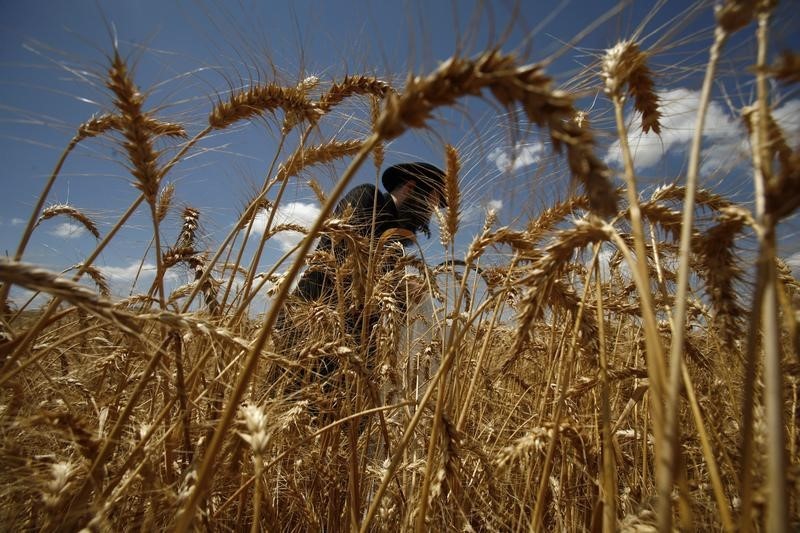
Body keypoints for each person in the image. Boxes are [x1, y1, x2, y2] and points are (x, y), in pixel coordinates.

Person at [273, 162, 446, 397]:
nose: (431, 213)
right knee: (288, 403)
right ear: (410, 187)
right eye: (431, 202)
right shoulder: (367, 197)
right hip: (311, 326)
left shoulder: (395, 243)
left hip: (352, 349)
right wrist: (398, 285)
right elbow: (347, 260)